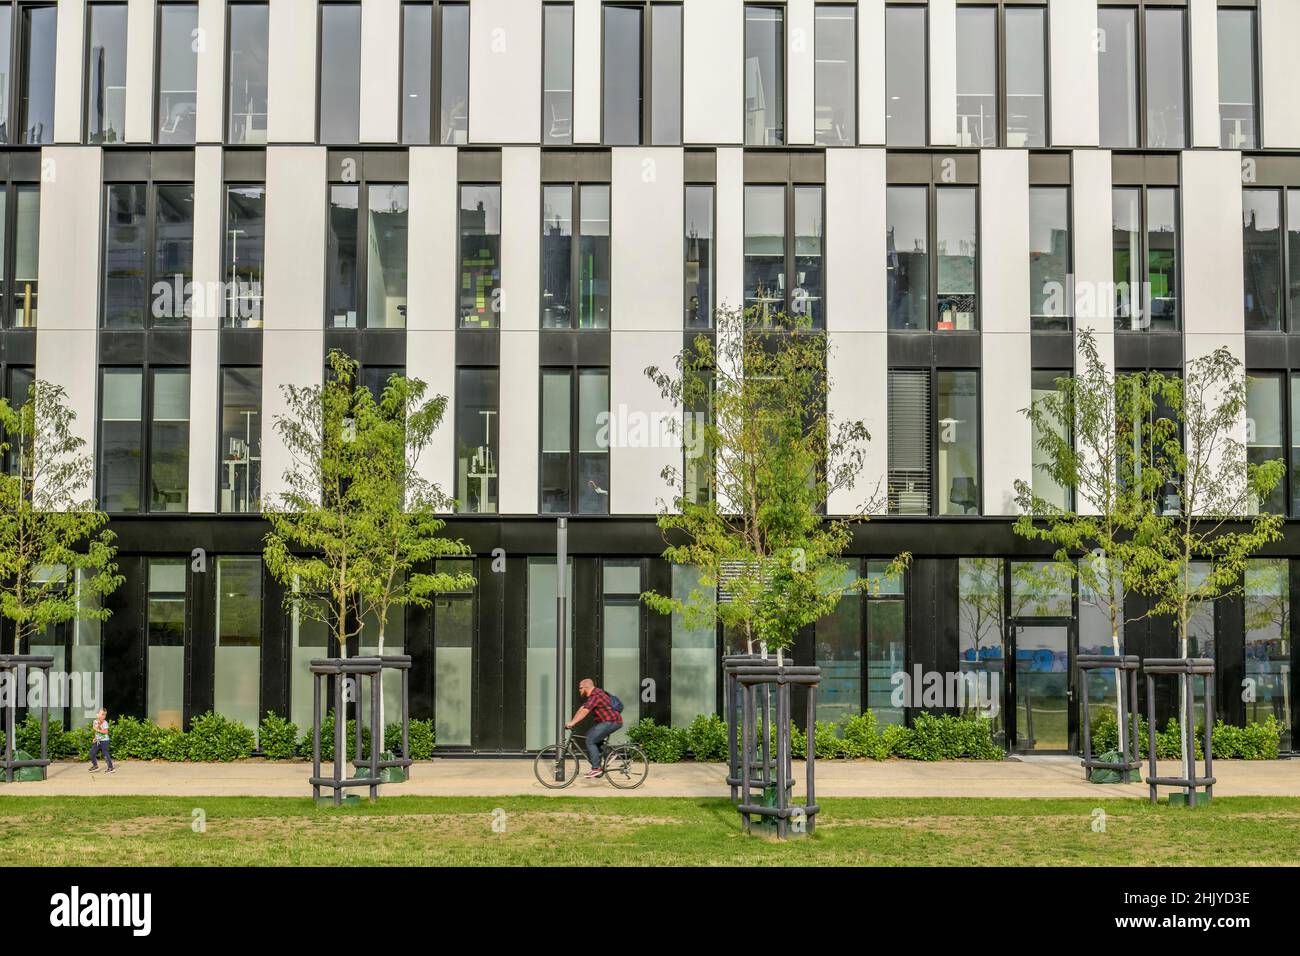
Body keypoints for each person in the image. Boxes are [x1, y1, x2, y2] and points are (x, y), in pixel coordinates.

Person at [565, 679, 622, 778]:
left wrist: (573, 723)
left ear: (586, 687)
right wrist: (572, 722)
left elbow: (585, 711)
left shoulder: (596, 696)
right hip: (609, 722)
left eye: (580, 688)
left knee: (590, 740)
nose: (579, 690)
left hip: (611, 722)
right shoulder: (594, 695)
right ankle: (609, 755)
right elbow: (582, 709)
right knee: (591, 736)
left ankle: (596, 768)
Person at [88, 708, 115, 774]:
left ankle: (110, 768)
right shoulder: (95, 722)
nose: (103, 716)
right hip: (98, 741)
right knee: (92, 753)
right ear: (97, 714)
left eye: (105, 715)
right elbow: (95, 732)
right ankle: (95, 766)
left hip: (105, 740)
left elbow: (106, 732)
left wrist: (98, 730)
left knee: (105, 754)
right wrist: (95, 738)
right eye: (102, 714)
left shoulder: (105, 722)